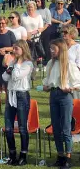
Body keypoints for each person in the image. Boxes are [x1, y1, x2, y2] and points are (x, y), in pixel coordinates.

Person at [43, 39, 80, 169]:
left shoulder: (69, 64)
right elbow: (47, 80)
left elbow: (77, 83)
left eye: (54, 49)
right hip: (53, 96)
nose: (51, 51)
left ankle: (68, 157)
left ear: (61, 50)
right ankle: (60, 156)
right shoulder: (50, 63)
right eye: (51, 48)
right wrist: (45, 86)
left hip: (65, 97)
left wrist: (70, 88)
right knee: (56, 128)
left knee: (65, 128)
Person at [2, 40, 33, 166]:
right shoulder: (13, 62)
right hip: (11, 94)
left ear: (23, 50)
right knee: (8, 128)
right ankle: (12, 154)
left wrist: (16, 65)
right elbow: (4, 77)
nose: (13, 51)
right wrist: (12, 67)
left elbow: (15, 76)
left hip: (22, 95)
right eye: (13, 49)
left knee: (21, 127)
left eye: (16, 49)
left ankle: (23, 155)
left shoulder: (28, 63)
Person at [0, 16, 16, 92]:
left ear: (6, 24)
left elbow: (14, 47)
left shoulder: (10, 34)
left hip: (7, 61)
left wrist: (5, 49)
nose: (1, 25)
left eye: (3, 23)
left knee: (7, 80)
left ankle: (7, 98)